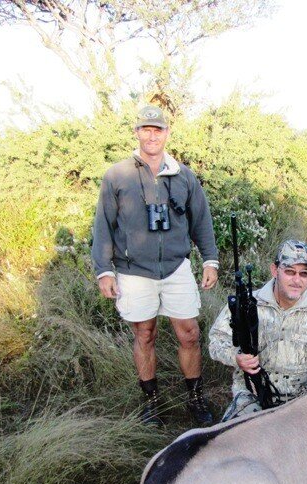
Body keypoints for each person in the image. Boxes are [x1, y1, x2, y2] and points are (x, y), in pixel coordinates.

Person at [91, 105, 219, 426]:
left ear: (167, 133)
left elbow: (201, 221)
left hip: (177, 268)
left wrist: (210, 260)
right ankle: (151, 402)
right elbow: (103, 225)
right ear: (136, 133)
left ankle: (195, 398)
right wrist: (104, 270)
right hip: (134, 271)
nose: (151, 135)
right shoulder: (117, 175)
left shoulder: (184, 176)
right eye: (145, 129)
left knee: (189, 334)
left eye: (157, 129)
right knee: (144, 334)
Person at [209, 239, 307, 421]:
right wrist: (235, 357)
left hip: (305, 399)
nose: (296, 280)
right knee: (233, 442)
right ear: (274, 270)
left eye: (303, 273)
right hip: (252, 394)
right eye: (289, 271)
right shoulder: (246, 305)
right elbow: (216, 341)